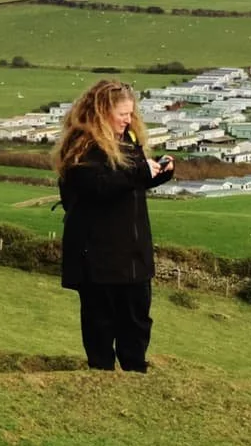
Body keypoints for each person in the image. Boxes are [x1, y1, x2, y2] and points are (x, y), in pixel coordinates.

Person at [51, 80, 175, 371]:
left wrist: (156, 175)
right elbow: (97, 187)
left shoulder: (128, 139)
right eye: (122, 114)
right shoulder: (82, 146)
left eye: (131, 114)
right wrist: (140, 172)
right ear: (101, 111)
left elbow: (126, 183)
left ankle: (135, 376)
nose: (128, 120)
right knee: (100, 322)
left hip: (132, 253)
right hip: (97, 254)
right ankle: (101, 378)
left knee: (137, 320)